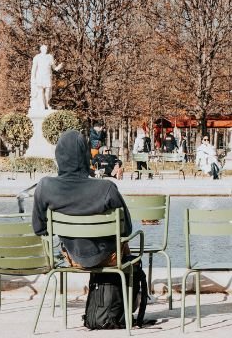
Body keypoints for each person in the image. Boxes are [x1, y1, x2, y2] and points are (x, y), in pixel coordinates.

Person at [31, 131, 151, 324]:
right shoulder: (106, 188)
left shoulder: (45, 186)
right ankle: (125, 304)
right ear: (86, 154)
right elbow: (127, 229)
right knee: (126, 248)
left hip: (73, 258)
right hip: (110, 258)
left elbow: (38, 229)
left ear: (58, 156)